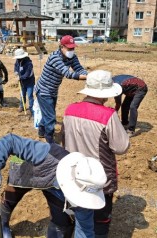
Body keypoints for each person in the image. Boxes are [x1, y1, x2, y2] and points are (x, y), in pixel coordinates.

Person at [0, 133, 108, 238]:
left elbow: (85, 232)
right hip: (26, 172)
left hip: (54, 189)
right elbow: (10, 141)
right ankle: (3, 224)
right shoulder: (47, 154)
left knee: (62, 223)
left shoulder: (87, 194)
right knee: (9, 200)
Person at [62, 70, 130, 237]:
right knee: (100, 222)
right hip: (100, 179)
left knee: (81, 218)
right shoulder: (108, 115)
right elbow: (121, 147)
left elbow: (63, 139)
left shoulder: (70, 110)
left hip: (74, 176)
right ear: (105, 93)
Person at [34, 35, 88, 143]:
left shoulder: (72, 57)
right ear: (61, 47)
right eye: (69, 48)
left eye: (73, 48)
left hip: (53, 90)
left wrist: (88, 75)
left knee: (48, 113)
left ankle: (41, 131)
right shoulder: (55, 57)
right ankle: (50, 141)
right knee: (50, 117)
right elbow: (67, 74)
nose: (71, 50)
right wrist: (88, 78)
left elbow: (79, 69)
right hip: (44, 90)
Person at [13, 49, 35, 115]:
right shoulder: (17, 61)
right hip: (22, 82)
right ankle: (22, 106)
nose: (18, 59)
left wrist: (20, 77)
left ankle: (31, 108)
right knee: (22, 95)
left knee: (30, 95)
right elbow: (16, 67)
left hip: (29, 82)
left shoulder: (29, 63)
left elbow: (27, 74)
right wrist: (16, 72)